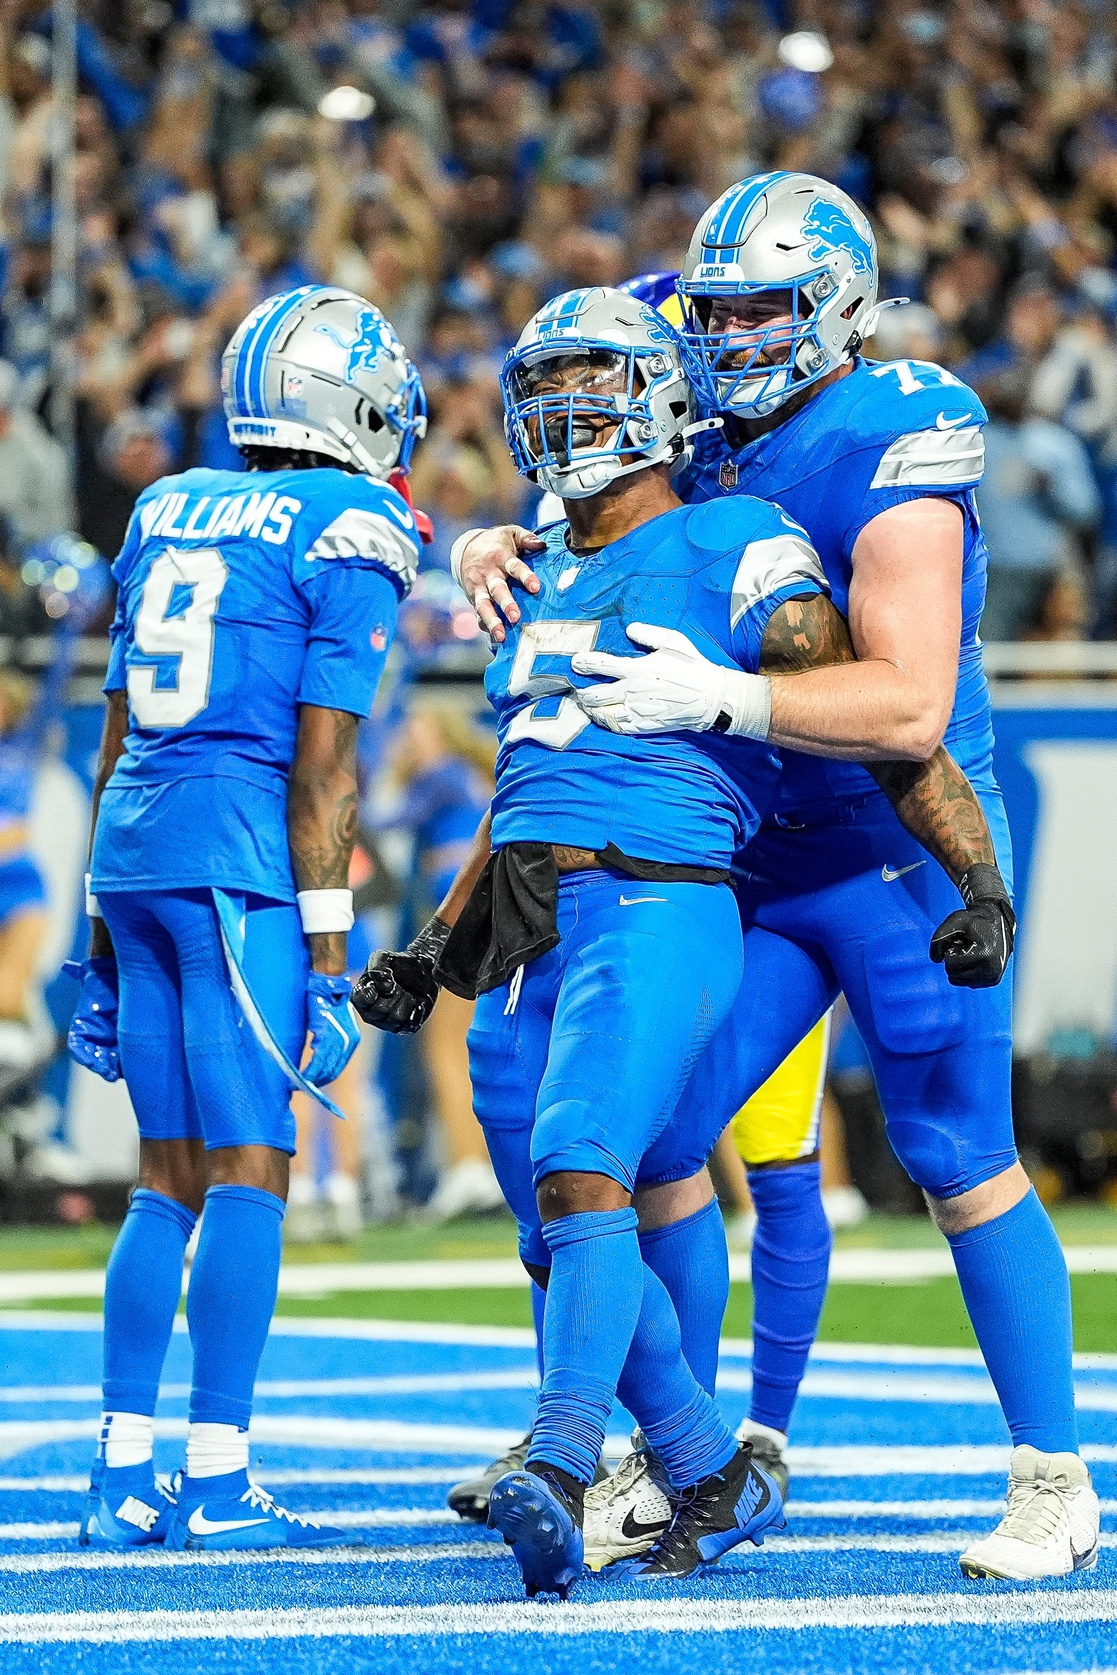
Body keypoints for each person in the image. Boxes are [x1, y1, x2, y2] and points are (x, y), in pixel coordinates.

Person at [449, 174, 1099, 1584]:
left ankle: (1054, 1470)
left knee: (950, 1147)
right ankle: (675, 1453)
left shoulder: (895, 431)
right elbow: (601, 495)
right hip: (754, 858)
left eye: (761, 308)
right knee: (658, 1143)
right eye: (716, 307)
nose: (730, 334)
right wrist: (507, 537)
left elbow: (909, 709)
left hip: (899, 848)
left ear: (838, 309)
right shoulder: (700, 430)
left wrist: (728, 697)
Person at [355, 286, 1012, 1594]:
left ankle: (561, 1456)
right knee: (555, 1219)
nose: (563, 410)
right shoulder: (548, 575)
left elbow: (879, 720)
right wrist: (437, 940)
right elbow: (522, 786)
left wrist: (975, 876)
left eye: (595, 380)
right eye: (543, 387)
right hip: (530, 917)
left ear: (662, 397)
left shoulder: (738, 534)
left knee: (583, 1161)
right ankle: (709, 1460)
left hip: (659, 895)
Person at [67, 284, 427, 1553]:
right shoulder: (355, 520)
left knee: (162, 1177)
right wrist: (329, 962)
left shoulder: (170, 503)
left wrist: (95, 950)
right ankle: (216, 1475)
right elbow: (323, 771)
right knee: (252, 1169)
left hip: (135, 849)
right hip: (235, 860)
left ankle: (119, 1476)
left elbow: (113, 727)